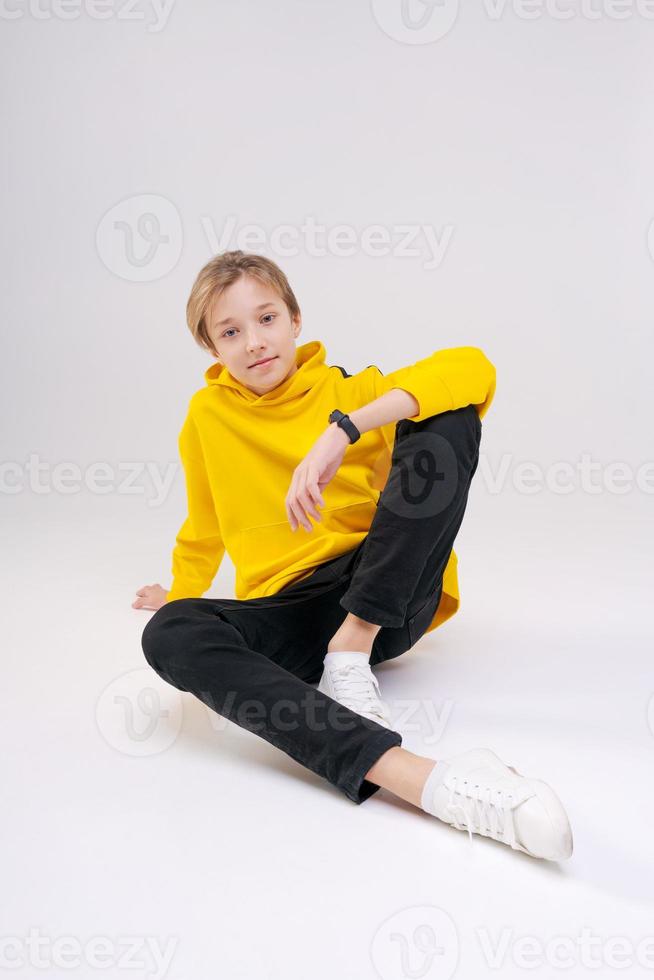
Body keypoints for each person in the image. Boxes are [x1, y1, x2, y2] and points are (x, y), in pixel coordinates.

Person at [134, 250, 573, 862]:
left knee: (445, 420)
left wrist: (344, 430)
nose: (255, 342)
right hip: (295, 609)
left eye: (266, 319)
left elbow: (473, 367)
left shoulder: (352, 390)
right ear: (211, 347)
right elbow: (204, 520)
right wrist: (182, 591)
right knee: (169, 634)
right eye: (230, 332)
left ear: (295, 320)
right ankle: (428, 782)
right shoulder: (206, 417)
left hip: (385, 593)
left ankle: (353, 645)